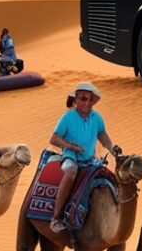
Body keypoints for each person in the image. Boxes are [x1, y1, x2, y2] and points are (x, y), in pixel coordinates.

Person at [48, 82, 119, 234]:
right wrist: (70, 146)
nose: (86, 103)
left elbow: (102, 135)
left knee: (107, 178)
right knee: (71, 171)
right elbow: (54, 138)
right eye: (83, 99)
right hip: (71, 156)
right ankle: (56, 217)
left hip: (90, 158)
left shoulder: (97, 117)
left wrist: (112, 150)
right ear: (76, 99)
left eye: (89, 100)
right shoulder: (67, 118)